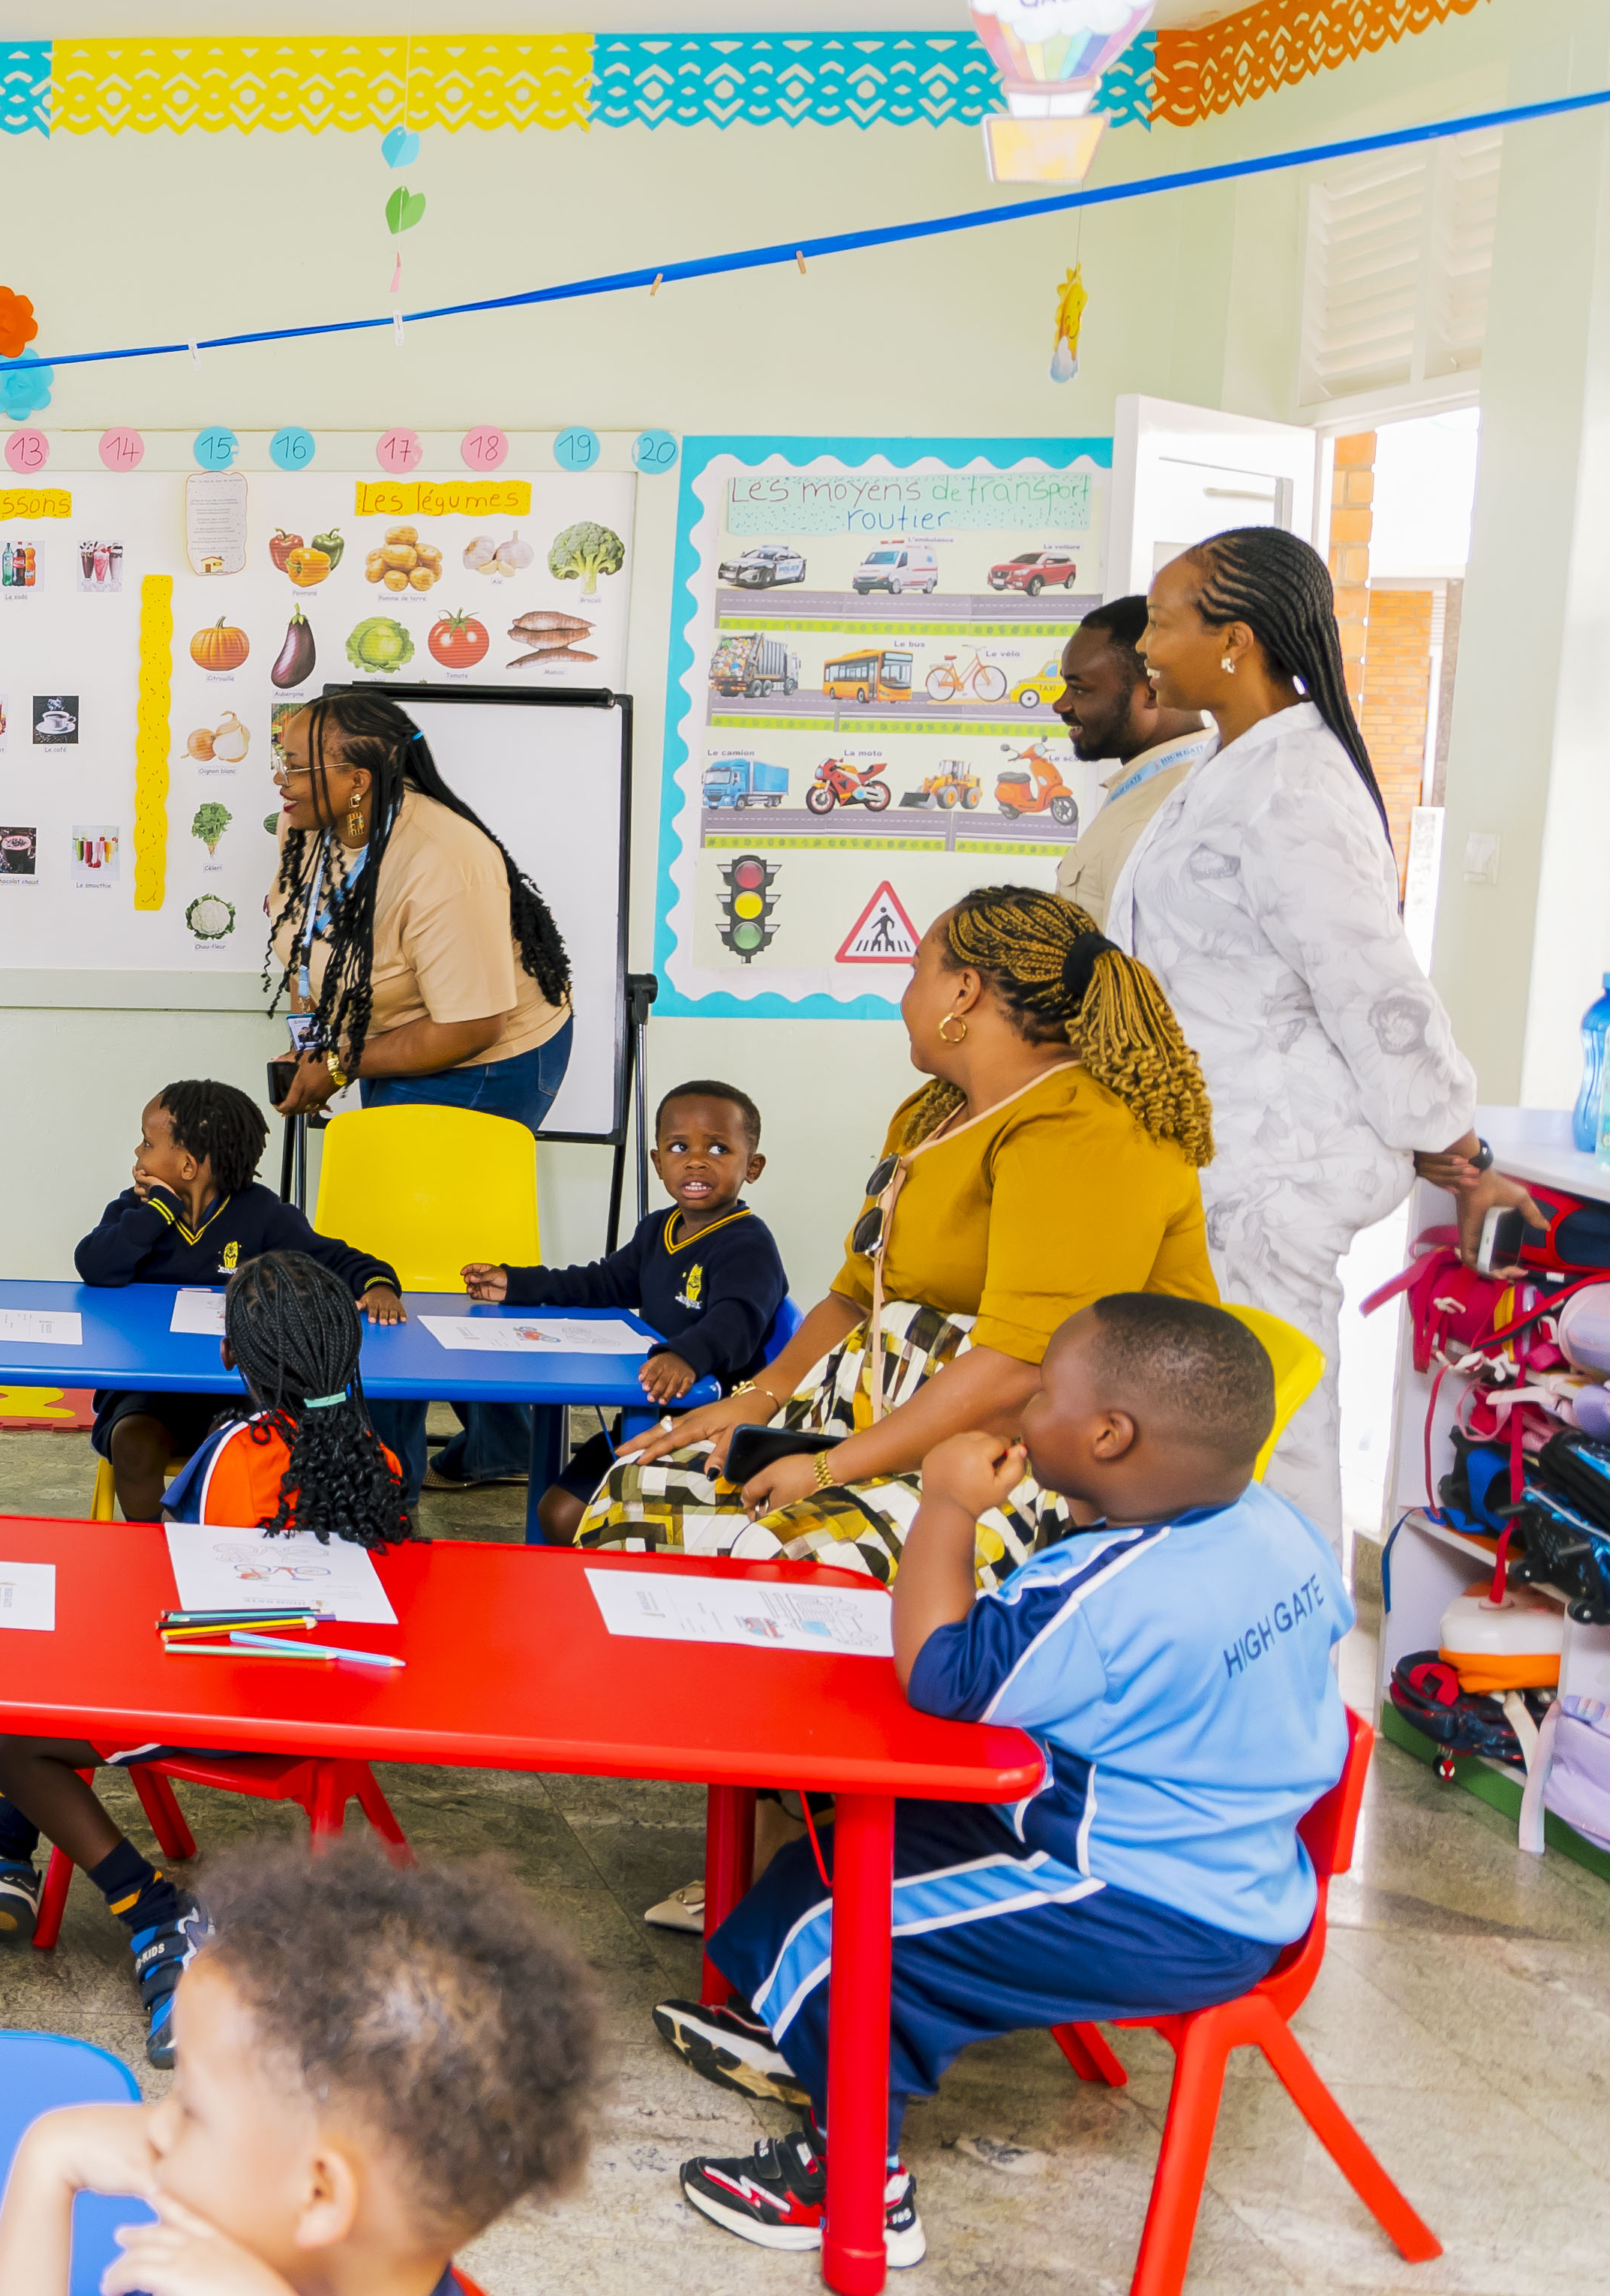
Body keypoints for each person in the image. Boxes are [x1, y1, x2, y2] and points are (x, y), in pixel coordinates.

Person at [581, 887, 1219, 1926]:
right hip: (893, 1420)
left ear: (964, 992)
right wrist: (754, 1401)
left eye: (917, 971)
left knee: (790, 1551)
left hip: (1036, 1466)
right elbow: (850, 1295)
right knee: (643, 1490)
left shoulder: (1086, 1130)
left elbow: (1017, 1364)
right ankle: (770, 1813)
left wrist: (834, 1466)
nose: (903, 995)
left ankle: (823, 1860)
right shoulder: (933, 1118)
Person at [666, 1295, 1346, 2270]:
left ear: (1109, 1438)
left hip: (1145, 1900)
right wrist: (1088, 1504)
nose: (1022, 1409)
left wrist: (946, 1505)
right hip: (1240, 1870)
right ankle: (803, 2041)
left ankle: (854, 2188)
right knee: (838, 1857)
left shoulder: (1107, 1593)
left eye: (1043, 1396)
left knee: (846, 1936)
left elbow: (941, 1674)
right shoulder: (1278, 1527)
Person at [0, 1256, 416, 2066]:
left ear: (232, 1355)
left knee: (13, 1740)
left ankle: (152, 1910)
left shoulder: (233, 1454)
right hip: (336, 1711)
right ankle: (4, 1850)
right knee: (64, 1681)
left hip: (230, 1709)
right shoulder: (377, 1459)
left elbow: (174, 1594)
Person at [1115, 524, 1521, 1540]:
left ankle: (1294, 1626)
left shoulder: (1294, 786)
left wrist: (1458, 1150)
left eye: (1161, 622)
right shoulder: (1233, 763)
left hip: (1273, 1174)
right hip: (1209, 1162)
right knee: (1201, 1440)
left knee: (1272, 1438)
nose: (1146, 646)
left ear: (1236, 641)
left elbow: (1373, 986)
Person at [0, 1850, 601, 2296]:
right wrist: (50, 2156)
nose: (153, 2128)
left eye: (190, 2110)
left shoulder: (205, 2275)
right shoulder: (220, 2253)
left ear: (319, 2194)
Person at [263, 689, 578, 1490]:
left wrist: (340, 1065)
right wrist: (312, 1049)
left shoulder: (445, 858)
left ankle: (381, 1477)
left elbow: (469, 1024)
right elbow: (302, 948)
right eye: (280, 761)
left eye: (295, 765)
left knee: (396, 1256)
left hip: (491, 1053)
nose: (280, 780)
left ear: (359, 778)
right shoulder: (308, 829)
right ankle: (504, 1446)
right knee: (422, 1245)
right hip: (402, 1035)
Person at [461, 1082, 787, 1544]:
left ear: (752, 1167)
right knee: (559, 1513)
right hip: (645, 1414)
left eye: (718, 1148)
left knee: (587, 1522)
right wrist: (520, 1284)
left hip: (708, 1430)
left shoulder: (748, 1245)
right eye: (679, 1147)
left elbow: (737, 1321)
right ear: (657, 1162)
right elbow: (603, 1282)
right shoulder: (657, 1229)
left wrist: (685, 1356)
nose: (696, 1161)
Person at [74, 1079, 401, 1521]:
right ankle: (154, 1547)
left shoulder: (261, 1214)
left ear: (187, 1166)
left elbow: (335, 1260)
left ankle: (217, 1542)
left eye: (148, 1143)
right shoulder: (136, 1210)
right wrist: (159, 1212)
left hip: (239, 1383)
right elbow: (94, 1265)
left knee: (238, 1441)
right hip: (148, 1384)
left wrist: (378, 1285)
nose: (137, 1152)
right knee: (131, 1444)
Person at [1049, 594, 1212, 917]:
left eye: (1079, 689)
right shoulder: (1156, 785)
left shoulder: (1171, 810)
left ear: (1151, 692)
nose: (1061, 705)